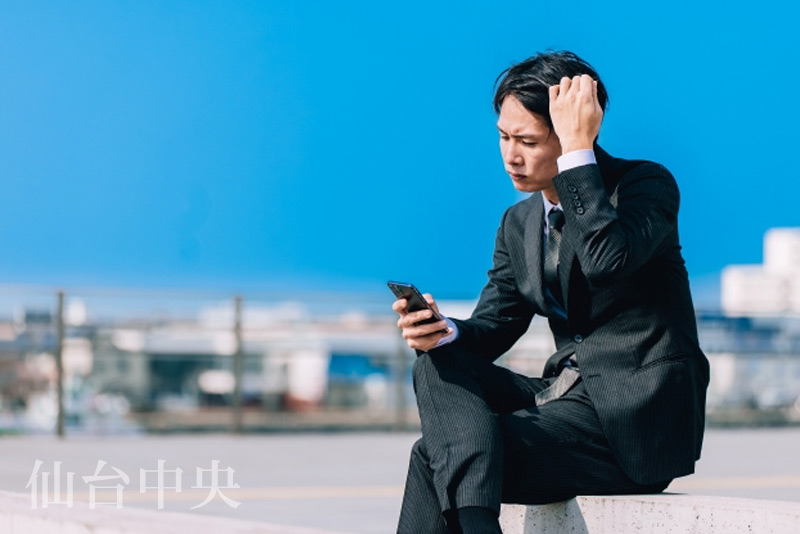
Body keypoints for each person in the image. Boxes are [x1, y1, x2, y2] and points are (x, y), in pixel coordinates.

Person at [391, 50, 710, 534]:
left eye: (528, 140)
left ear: (571, 133)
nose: (510, 155)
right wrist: (443, 330)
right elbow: (494, 328)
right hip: (559, 402)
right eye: (503, 136)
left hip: (630, 425)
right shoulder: (519, 223)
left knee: (431, 456)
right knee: (438, 362)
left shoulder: (646, 187)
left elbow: (607, 261)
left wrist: (579, 154)